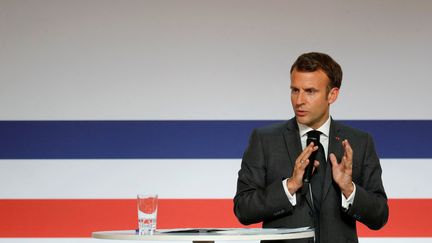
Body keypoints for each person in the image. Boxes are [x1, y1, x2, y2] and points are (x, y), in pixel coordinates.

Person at [233, 52, 388, 243]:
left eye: (310, 91)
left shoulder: (359, 142)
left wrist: (349, 189)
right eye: (295, 90)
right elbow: (243, 209)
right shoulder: (265, 140)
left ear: (332, 95)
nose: (299, 100)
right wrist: (290, 186)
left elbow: (379, 216)